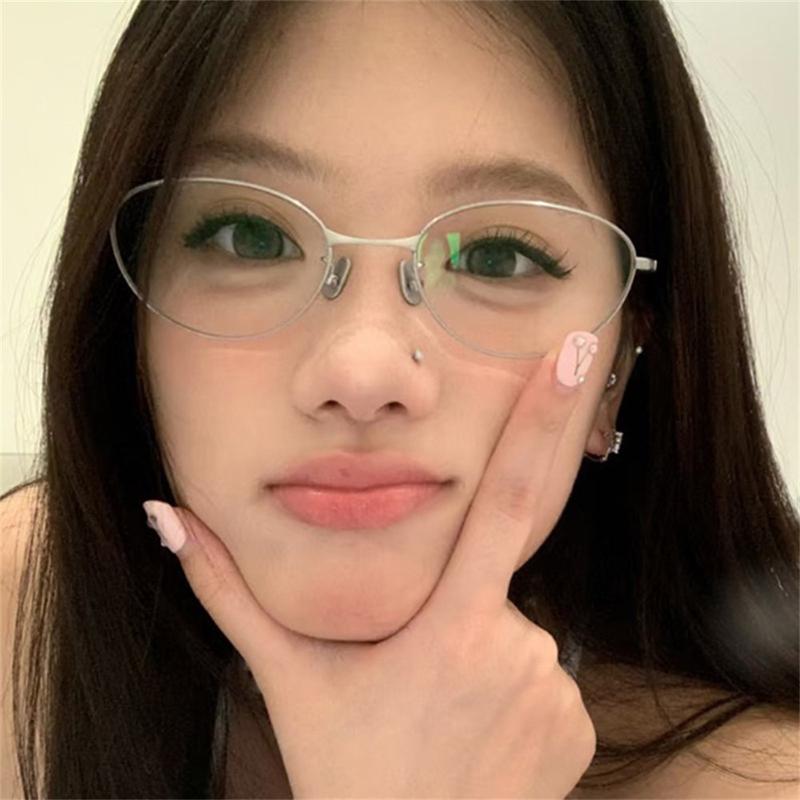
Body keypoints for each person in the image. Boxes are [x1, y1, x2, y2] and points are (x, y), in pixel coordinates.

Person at [1, 1, 797, 798]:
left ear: (615, 364)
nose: (361, 374)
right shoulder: (23, 611)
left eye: (494, 257)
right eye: (251, 237)